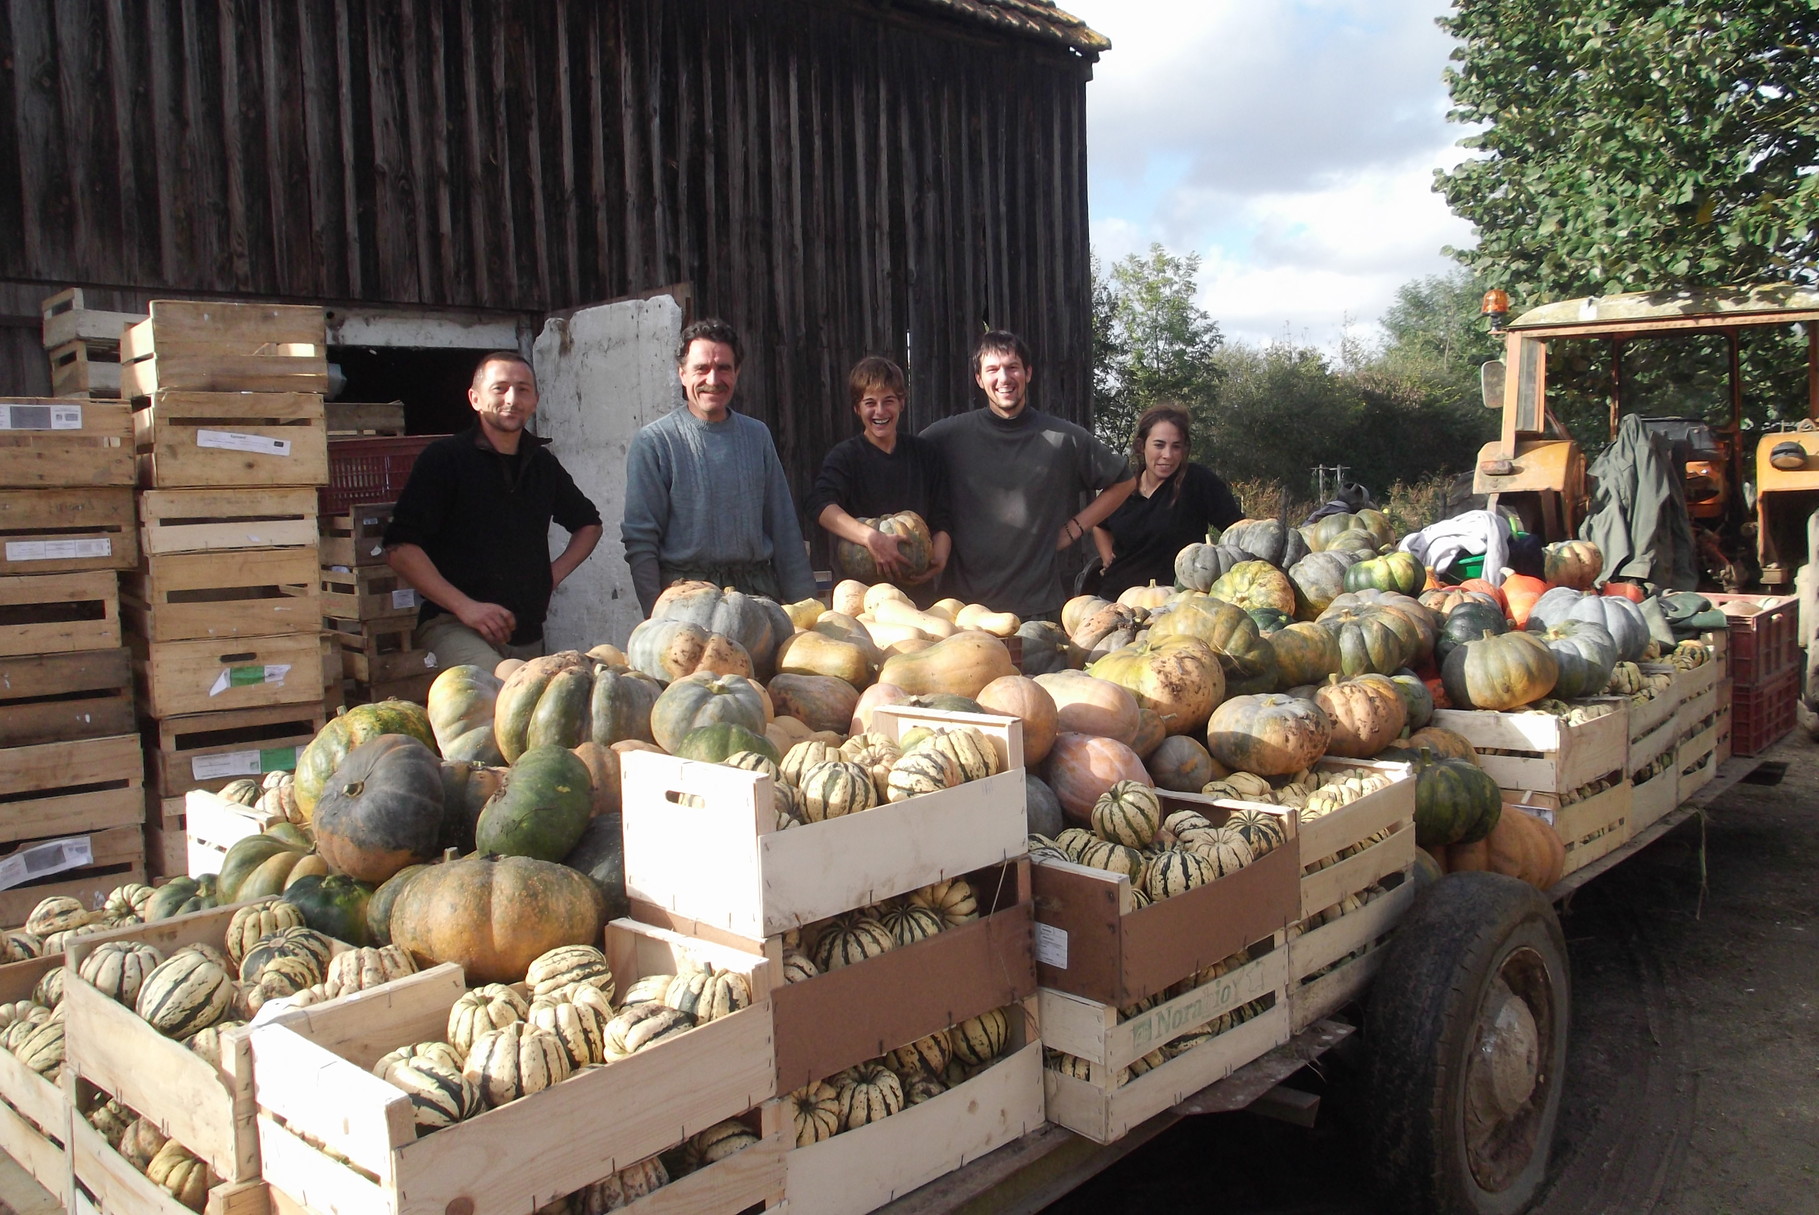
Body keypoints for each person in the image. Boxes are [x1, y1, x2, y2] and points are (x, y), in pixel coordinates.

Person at [384, 351, 603, 670]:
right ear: (475, 398)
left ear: (535, 400)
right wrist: (466, 607)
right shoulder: (445, 459)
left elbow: (588, 524)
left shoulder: (542, 464)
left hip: (527, 633)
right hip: (454, 626)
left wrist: (551, 575)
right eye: (500, 388)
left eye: (523, 389)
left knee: (526, 712)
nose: (512, 398)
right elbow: (399, 548)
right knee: (496, 693)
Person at [922, 331, 1136, 619]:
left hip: (1037, 610)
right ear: (979, 379)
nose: (1004, 378)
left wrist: (1075, 528)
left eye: (1012, 367)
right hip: (963, 612)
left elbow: (1124, 481)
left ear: (1028, 373)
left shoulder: (1064, 438)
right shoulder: (947, 436)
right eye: (993, 370)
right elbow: (904, 466)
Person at [622, 319, 818, 615]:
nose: (713, 379)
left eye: (724, 368)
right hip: (686, 604)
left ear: (737, 373)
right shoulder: (655, 442)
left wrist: (807, 609)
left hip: (758, 599)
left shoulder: (757, 436)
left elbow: (784, 529)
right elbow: (641, 541)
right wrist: (656, 616)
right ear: (682, 374)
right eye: (701, 368)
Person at [804, 356, 953, 605]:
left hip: (918, 596)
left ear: (902, 403)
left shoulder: (925, 454)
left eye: (889, 401)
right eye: (870, 403)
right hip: (860, 599)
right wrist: (870, 538)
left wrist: (939, 557)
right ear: (857, 408)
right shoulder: (846, 456)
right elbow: (819, 504)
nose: (880, 412)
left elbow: (942, 517)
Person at [1092, 403, 1244, 600]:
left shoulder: (1198, 481)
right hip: (1115, 601)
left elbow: (1237, 530)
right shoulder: (1122, 486)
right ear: (1141, 446)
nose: (1168, 455)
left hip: (1176, 605)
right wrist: (1107, 558)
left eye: (1176, 446)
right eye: (1159, 445)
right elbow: (1099, 524)